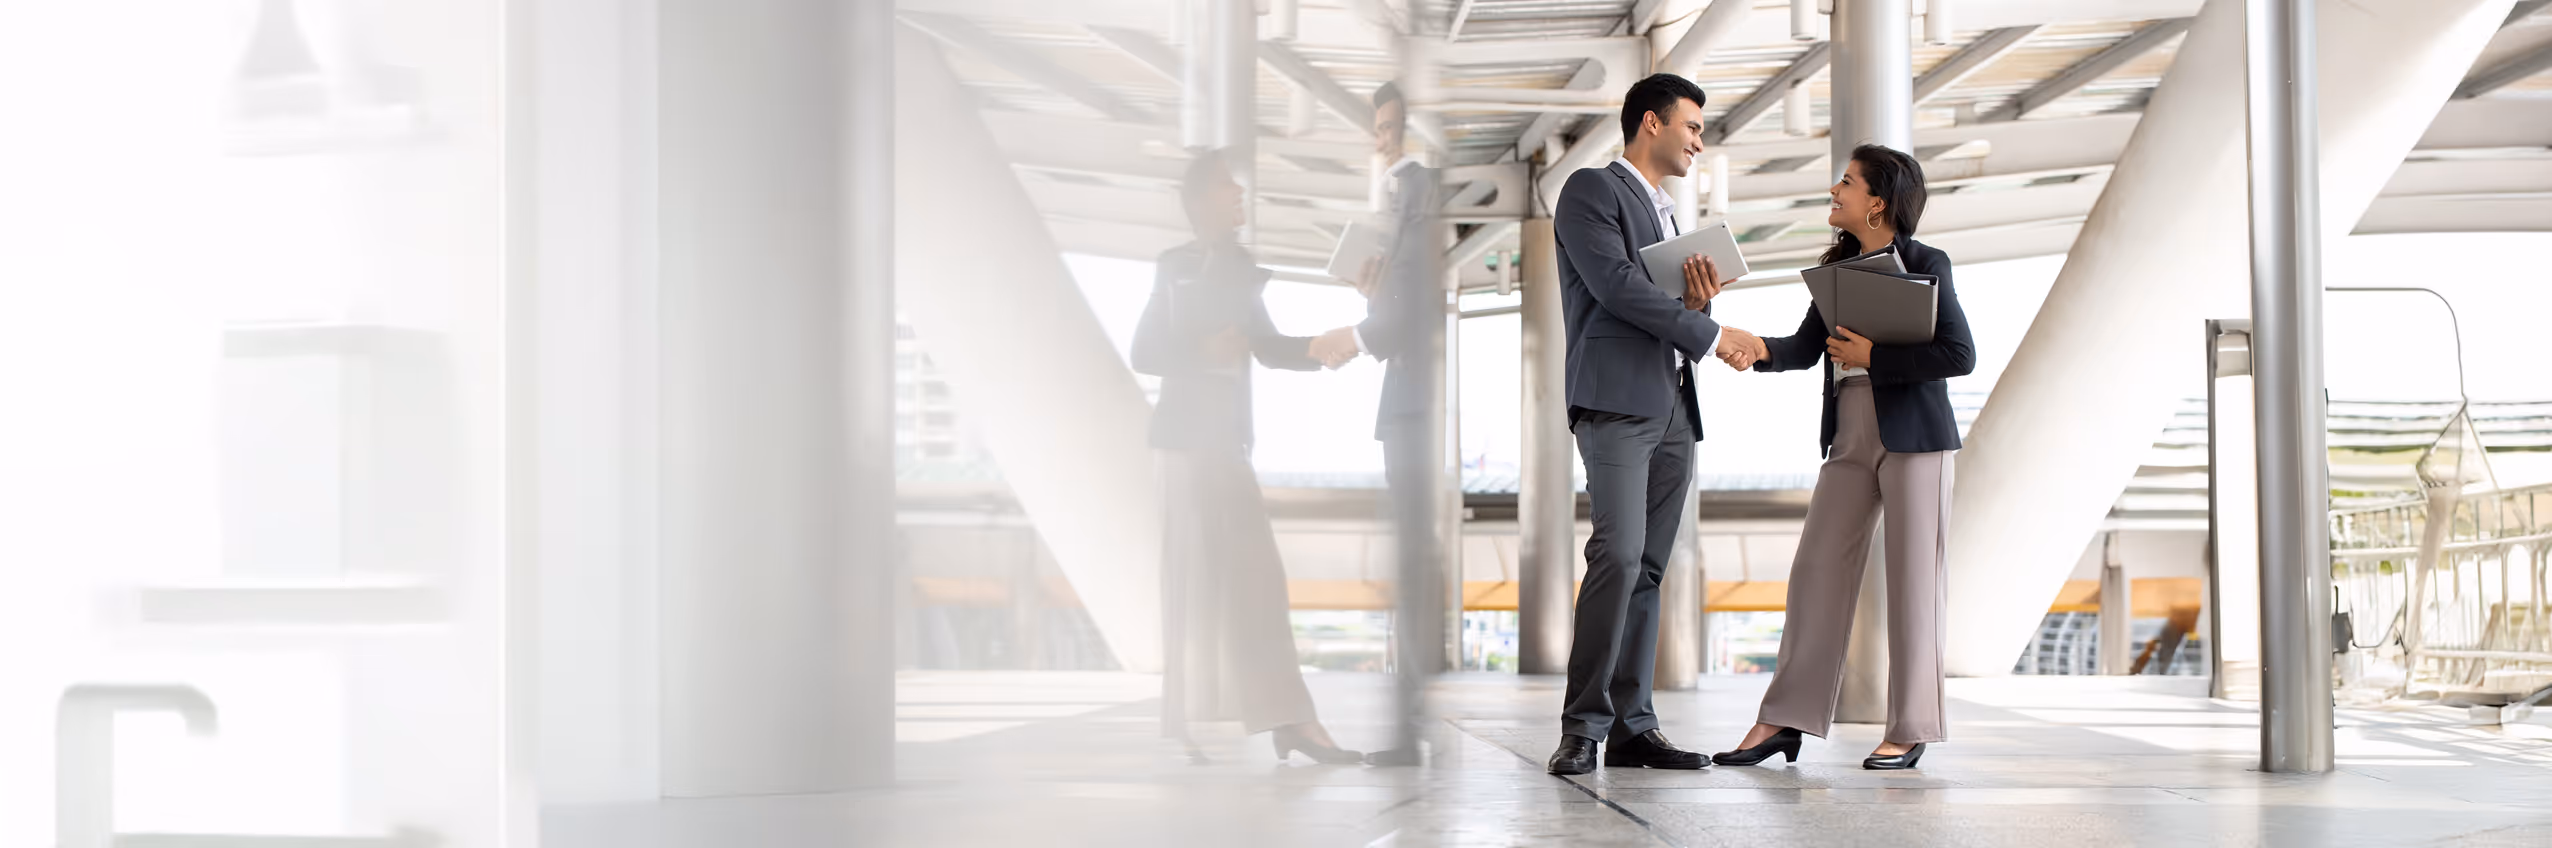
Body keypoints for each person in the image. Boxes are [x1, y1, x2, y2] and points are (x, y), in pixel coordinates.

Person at [1711, 143, 1975, 771]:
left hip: (1916, 438)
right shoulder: (1835, 269)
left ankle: (1911, 728)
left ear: (1877, 202)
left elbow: (1958, 354)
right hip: (1849, 437)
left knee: (1915, 585)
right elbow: (1804, 348)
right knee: (1814, 574)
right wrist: (1755, 348)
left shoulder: (1926, 262)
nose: (1836, 190)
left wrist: (1874, 357)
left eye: (1847, 183)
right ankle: (1784, 719)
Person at [1541, 72, 1763, 776]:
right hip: (1615, 401)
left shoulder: (1669, 214)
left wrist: (1700, 308)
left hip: (1671, 406)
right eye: (1693, 126)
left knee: (1650, 569)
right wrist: (1713, 333)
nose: (1701, 139)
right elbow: (1616, 288)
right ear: (1650, 123)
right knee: (1619, 554)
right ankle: (1583, 726)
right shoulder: (1590, 191)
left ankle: (1634, 726)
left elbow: (1663, 310)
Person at [1133, 148, 1361, 765]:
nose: (1239, 197)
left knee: (1257, 582)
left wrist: (1320, 347)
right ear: (1203, 198)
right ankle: (1199, 723)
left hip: (1223, 442)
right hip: (1180, 441)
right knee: (1186, 583)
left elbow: (1264, 345)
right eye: (1229, 189)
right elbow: (1145, 351)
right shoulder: (1173, 266)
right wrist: (1204, 345)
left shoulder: (1240, 267)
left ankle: (1289, 719)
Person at [1307, 81, 1442, 768]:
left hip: (1416, 409)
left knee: (1413, 564)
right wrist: (1375, 293)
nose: (1383, 142)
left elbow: (1404, 320)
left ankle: (1408, 724)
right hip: (1408, 407)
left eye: (1392, 128)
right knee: (1411, 563)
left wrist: (1356, 333)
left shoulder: (1419, 196)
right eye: (1379, 129)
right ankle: (1408, 721)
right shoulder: (1408, 215)